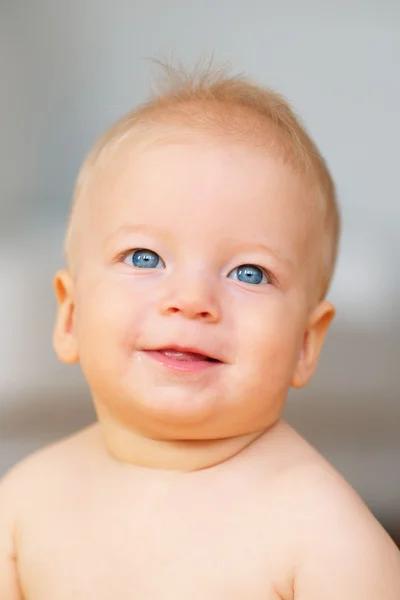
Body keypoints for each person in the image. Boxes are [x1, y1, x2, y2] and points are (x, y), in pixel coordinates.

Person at [1, 62, 399, 599]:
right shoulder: (23, 505)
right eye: (144, 257)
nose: (191, 302)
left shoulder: (326, 537)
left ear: (307, 343)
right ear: (70, 315)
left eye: (249, 273)